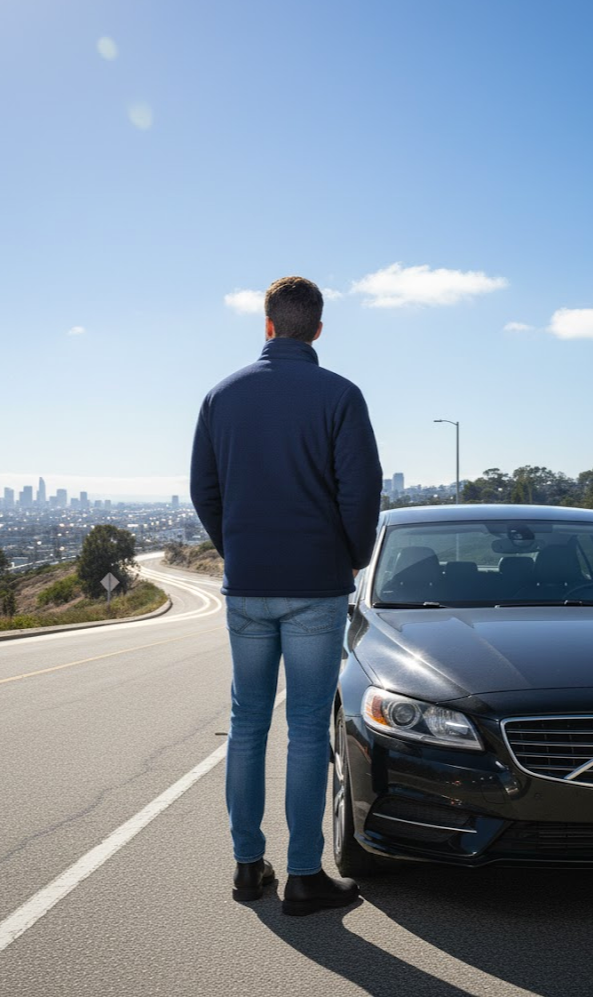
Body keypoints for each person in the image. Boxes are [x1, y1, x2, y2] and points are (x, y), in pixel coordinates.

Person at [190, 275, 382, 916]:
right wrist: (351, 556)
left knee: (247, 724)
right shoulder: (341, 395)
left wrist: (237, 548)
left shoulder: (221, 396)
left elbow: (204, 490)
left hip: (248, 585)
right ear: (318, 330)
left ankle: (248, 867)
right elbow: (361, 491)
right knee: (305, 728)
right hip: (315, 586)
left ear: (267, 324)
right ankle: (303, 876)